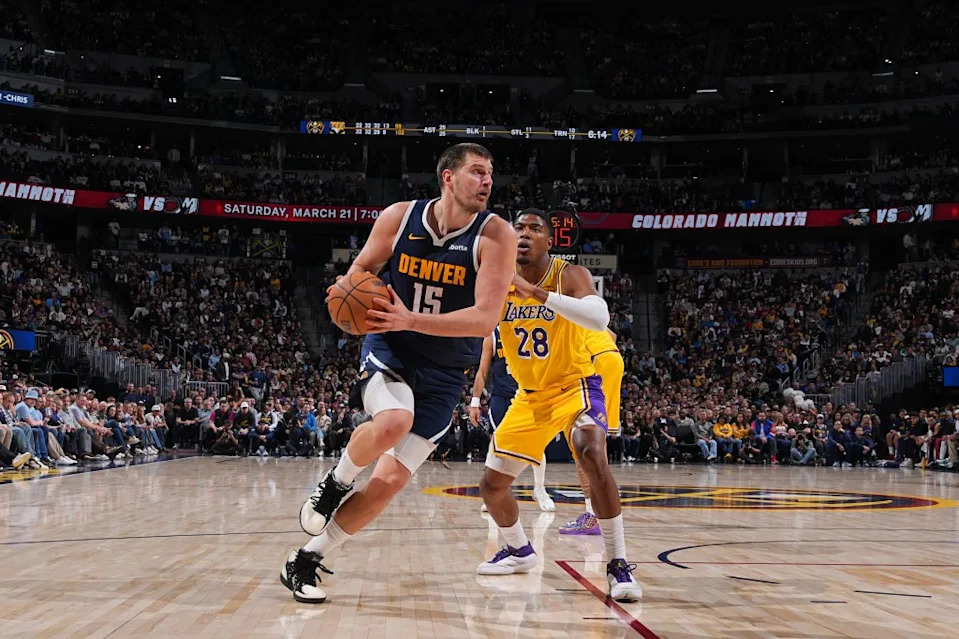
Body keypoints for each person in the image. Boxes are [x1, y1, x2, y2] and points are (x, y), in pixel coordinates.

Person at [283, 143, 516, 604]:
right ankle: (337, 480)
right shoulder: (399, 217)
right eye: (477, 172)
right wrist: (350, 297)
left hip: (446, 371)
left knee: (390, 481)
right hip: (392, 347)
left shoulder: (496, 235)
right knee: (393, 421)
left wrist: (413, 318)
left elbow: (486, 318)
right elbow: (359, 272)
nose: (487, 181)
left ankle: (306, 559)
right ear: (448, 178)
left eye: (490, 174)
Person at [475, 209, 642, 603]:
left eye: (535, 229)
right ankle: (519, 550)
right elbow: (476, 329)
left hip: (575, 385)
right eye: (519, 228)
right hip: (529, 396)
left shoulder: (569, 274)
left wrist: (533, 292)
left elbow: (599, 317)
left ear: (550, 241)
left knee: (590, 449)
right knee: (491, 486)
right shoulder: (497, 282)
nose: (525, 234)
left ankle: (618, 564)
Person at [469, 327, 555, 512]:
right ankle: (495, 494)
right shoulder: (492, 335)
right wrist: (475, 402)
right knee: (496, 444)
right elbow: (482, 371)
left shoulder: (531, 325)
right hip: (502, 396)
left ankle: (539, 489)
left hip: (528, 394)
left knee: (536, 445)